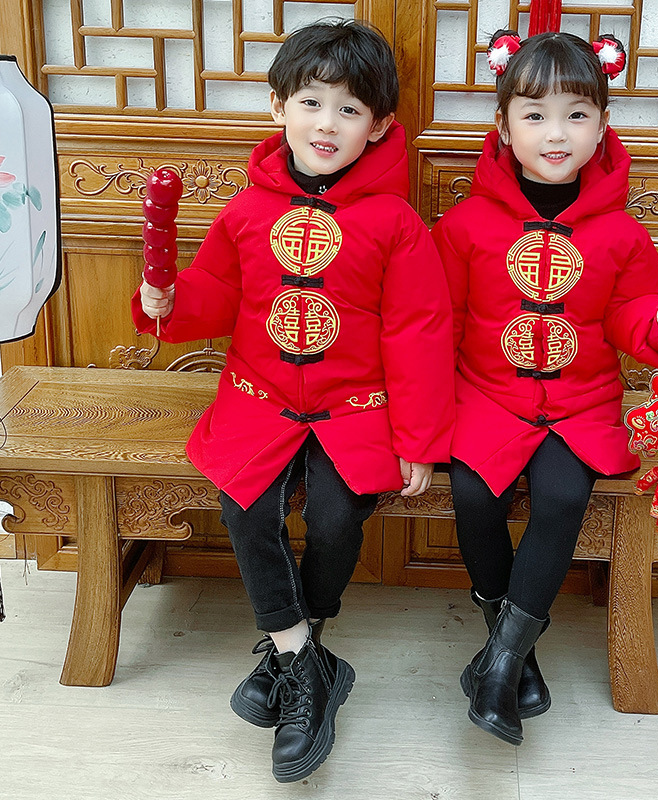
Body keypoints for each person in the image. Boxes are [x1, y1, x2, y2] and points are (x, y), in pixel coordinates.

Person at [132, 20, 454, 782]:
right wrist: (166, 300)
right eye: (311, 102)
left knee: (339, 517)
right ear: (279, 107)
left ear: (379, 126)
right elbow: (215, 294)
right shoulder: (246, 210)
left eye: (349, 109)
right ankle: (306, 667)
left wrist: (418, 438)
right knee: (247, 508)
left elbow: (418, 331)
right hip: (260, 398)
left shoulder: (397, 224)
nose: (327, 124)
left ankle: (291, 653)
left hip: (356, 409)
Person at [431, 30, 658, 746]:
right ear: (503, 126)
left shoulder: (622, 234)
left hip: (579, 404)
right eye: (535, 115)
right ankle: (511, 652)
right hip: (486, 397)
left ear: (602, 127)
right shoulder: (464, 226)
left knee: (561, 496)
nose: (556, 134)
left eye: (577, 115)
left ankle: (498, 670)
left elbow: (631, 311)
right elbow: (439, 325)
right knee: (472, 495)